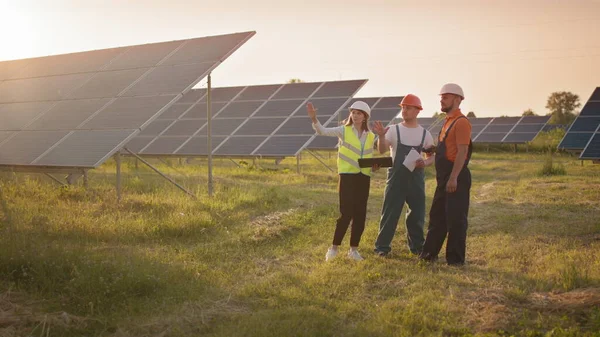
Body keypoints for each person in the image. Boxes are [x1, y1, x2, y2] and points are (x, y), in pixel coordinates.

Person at [307, 100, 377, 261]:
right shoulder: (343, 130)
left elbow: (367, 156)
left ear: (365, 116)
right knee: (346, 213)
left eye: (359, 113)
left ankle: (353, 250)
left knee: (360, 215)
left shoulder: (371, 136)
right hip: (347, 176)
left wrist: (374, 165)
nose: (355, 115)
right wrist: (313, 119)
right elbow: (322, 131)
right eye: (353, 112)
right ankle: (334, 248)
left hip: (363, 178)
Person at [372, 94, 435, 257]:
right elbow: (382, 150)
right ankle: (382, 247)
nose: (404, 111)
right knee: (390, 213)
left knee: (417, 215)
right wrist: (380, 136)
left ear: (417, 111)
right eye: (403, 108)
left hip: (416, 180)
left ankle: (417, 247)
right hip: (396, 180)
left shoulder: (425, 134)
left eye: (408, 108)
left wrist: (425, 163)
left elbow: (432, 156)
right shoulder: (394, 129)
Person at [419, 83, 473, 266]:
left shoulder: (462, 122)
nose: (442, 100)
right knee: (437, 217)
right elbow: (447, 148)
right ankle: (428, 255)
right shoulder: (447, 121)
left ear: (458, 100)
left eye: (446, 97)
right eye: (441, 97)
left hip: (455, 178)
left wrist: (453, 177)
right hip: (444, 179)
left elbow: (462, 152)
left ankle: (455, 261)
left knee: (456, 220)